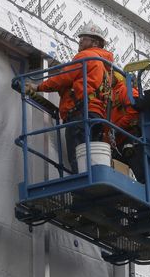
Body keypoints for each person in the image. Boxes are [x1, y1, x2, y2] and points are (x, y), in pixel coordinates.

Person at [25, 22, 113, 173]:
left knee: (77, 155)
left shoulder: (86, 56)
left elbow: (63, 78)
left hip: (80, 114)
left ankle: (81, 186)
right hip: (96, 115)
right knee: (92, 155)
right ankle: (95, 181)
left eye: (84, 38)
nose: (80, 41)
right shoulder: (106, 68)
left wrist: (38, 87)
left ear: (95, 42)